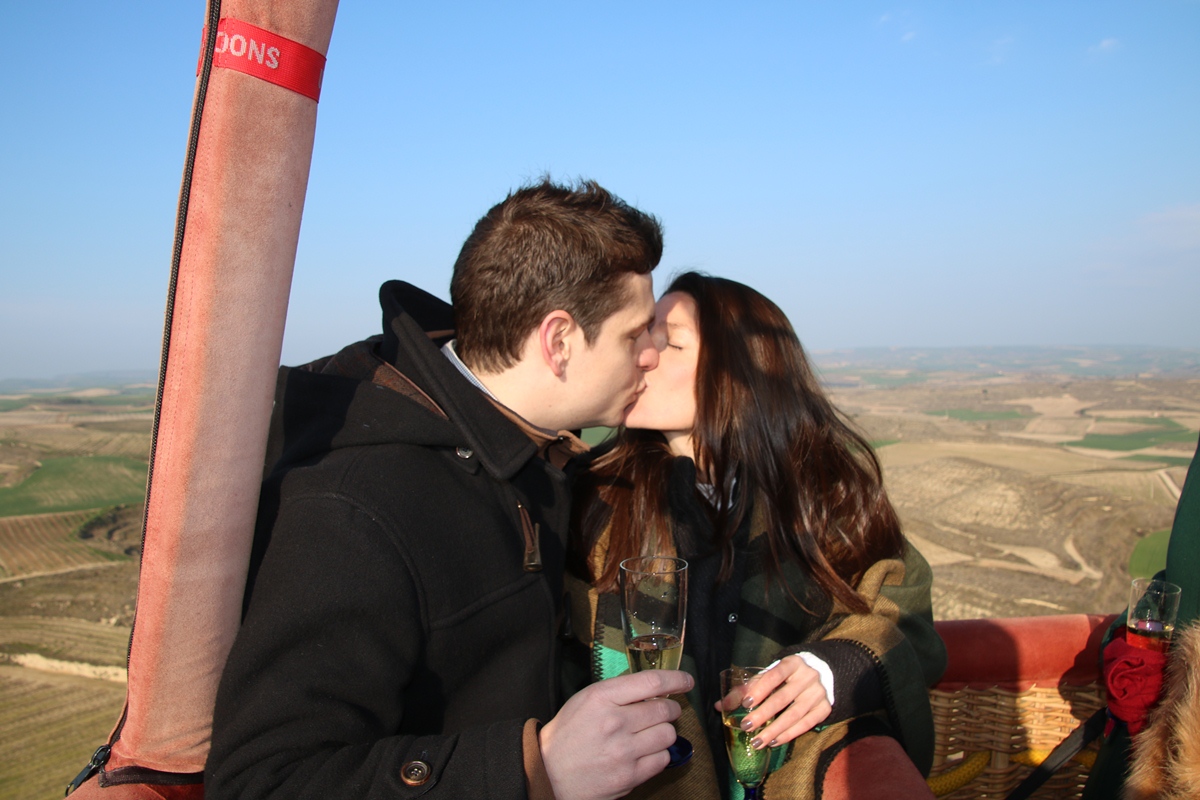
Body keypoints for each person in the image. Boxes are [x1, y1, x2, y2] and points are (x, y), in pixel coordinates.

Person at [204, 180, 695, 800]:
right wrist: (531, 768)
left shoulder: (534, 451)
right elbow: (261, 783)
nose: (654, 352)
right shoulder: (354, 509)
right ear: (559, 341)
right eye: (636, 334)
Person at [567, 272, 948, 799]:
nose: (645, 355)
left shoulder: (826, 503)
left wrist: (834, 668)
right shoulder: (596, 498)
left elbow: (908, 619)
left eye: (669, 341)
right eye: (641, 336)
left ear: (741, 374)